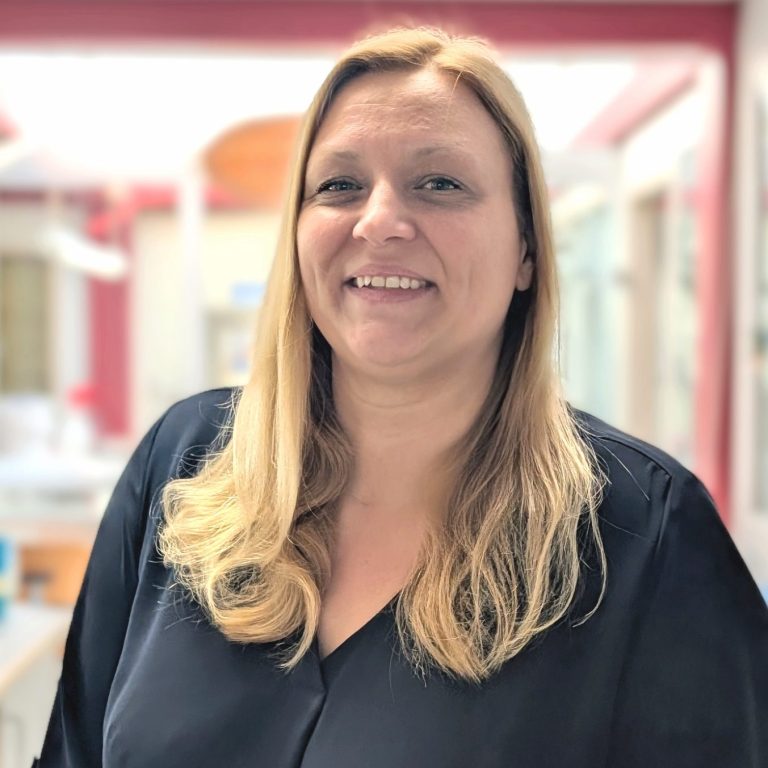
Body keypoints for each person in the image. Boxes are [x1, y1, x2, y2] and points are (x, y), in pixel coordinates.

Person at [36, 26, 767, 768]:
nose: (379, 220)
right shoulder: (184, 463)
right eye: (339, 186)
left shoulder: (650, 537)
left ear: (526, 248)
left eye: (440, 183)